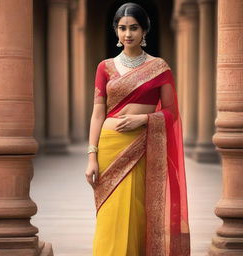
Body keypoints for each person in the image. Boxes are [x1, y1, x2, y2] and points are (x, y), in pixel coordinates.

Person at [85, 2, 190, 256]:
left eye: (134, 28)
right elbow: (98, 113)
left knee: (138, 211)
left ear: (144, 31)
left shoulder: (159, 67)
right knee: (111, 215)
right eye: (122, 28)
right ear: (116, 31)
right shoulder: (105, 67)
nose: (128, 34)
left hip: (143, 147)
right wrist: (92, 156)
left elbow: (172, 112)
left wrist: (142, 120)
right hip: (110, 148)